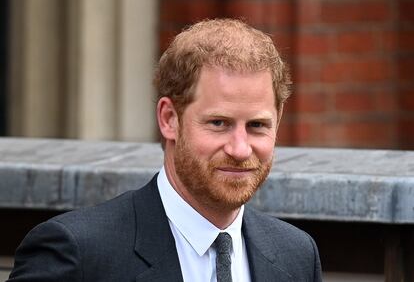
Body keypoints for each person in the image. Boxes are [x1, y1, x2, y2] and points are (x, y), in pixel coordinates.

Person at [8, 18, 322, 282]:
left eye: (257, 126)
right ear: (169, 119)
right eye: (218, 123)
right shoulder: (77, 254)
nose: (240, 149)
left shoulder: (297, 257)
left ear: (278, 122)